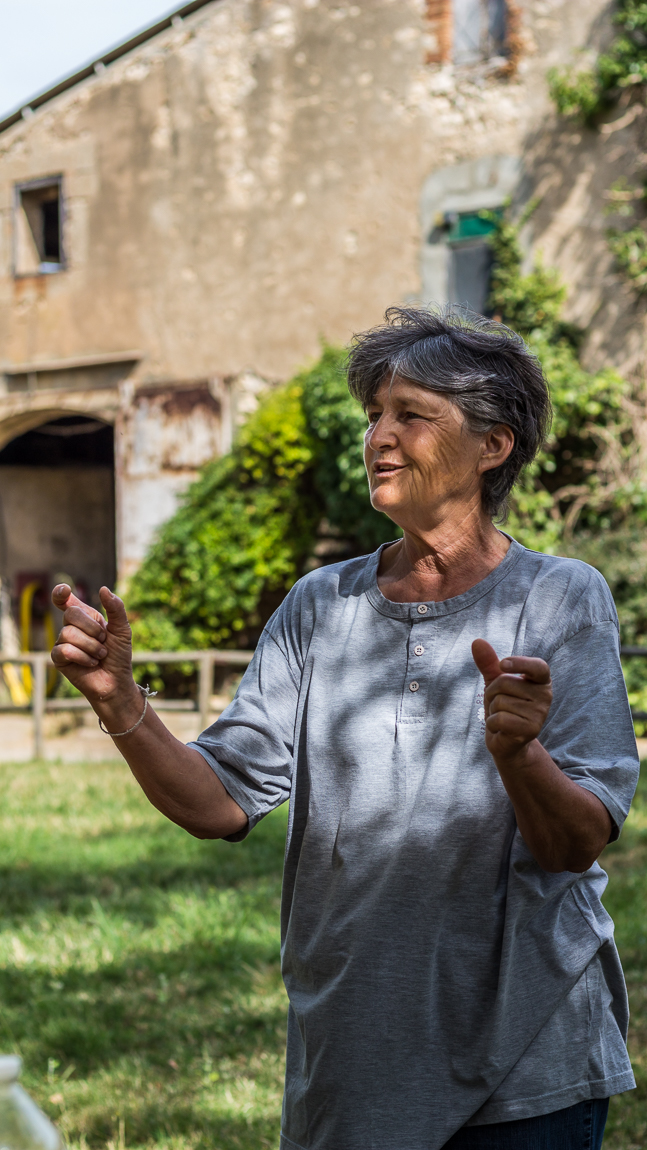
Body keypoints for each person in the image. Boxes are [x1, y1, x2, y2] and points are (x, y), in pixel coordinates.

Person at [51, 307, 639, 1150]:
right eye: (374, 416)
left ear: (493, 445)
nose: (380, 438)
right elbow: (217, 804)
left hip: (526, 1058)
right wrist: (120, 702)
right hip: (351, 1053)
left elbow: (573, 842)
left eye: (411, 415)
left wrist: (518, 754)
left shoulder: (561, 598)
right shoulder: (318, 606)